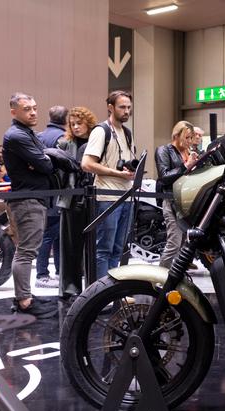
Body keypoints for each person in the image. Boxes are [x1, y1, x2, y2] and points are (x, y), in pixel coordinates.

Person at [3, 92, 56, 318]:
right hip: (27, 200)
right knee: (26, 252)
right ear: (14, 111)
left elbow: (44, 160)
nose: (33, 112)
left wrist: (42, 160)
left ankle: (23, 296)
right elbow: (46, 165)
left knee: (26, 251)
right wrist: (43, 161)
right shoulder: (17, 135)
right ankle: (24, 301)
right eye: (27, 109)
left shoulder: (26, 133)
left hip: (32, 198)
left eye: (34, 108)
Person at [82, 90, 136, 280]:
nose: (126, 111)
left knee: (118, 249)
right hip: (107, 197)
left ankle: (112, 290)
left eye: (129, 107)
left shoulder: (127, 133)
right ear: (110, 108)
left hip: (126, 196)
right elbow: (87, 164)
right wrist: (117, 173)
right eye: (122, 107)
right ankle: (100, 291)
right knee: (104, 248)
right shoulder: (101, 131)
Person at [57, 106, 97, 300]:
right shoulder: (64, 144)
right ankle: (69, 287)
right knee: (70, 246)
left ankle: (94, 286)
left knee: (95, 247)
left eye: (79, 123)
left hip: (96, 198)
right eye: (72, 124)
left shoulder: (97, 142)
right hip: (71, 200)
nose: (75, 127)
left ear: (88, 123)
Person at [155, 121, 198, 268]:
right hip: (171, 201)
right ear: (176, 135)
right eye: (187, 137)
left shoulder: (188, 153)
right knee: (174, 243)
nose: (190, 141)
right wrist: (186, 165)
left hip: (186, 201)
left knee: (185, 243)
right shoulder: (164, 150)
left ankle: (177, 275)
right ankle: (160, 276)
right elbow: (164, 176)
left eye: (191, 138)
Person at [35, 105, 69, 287]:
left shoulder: (39, 136)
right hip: (58, 192)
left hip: (43, 192)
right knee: (51, 235)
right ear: (66, 119)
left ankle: (58, 271)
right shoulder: (63, 138)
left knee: (55, 234)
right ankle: (42, 275)